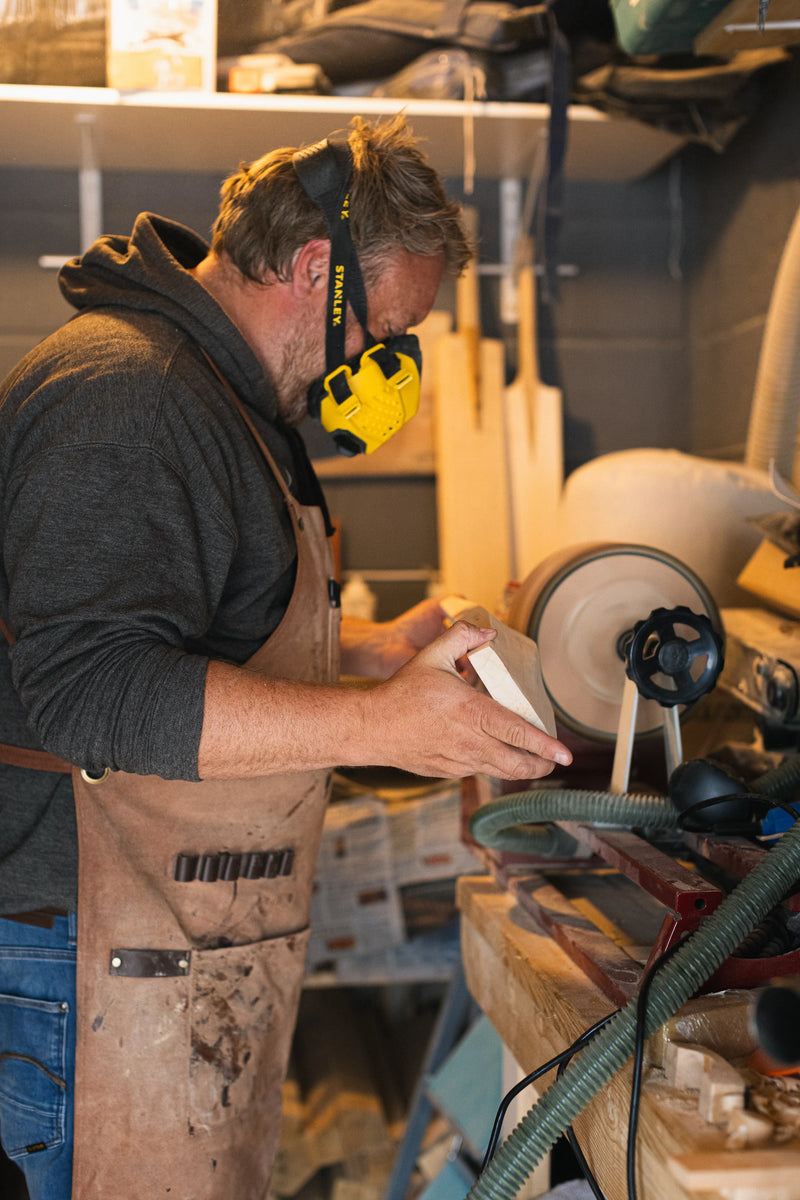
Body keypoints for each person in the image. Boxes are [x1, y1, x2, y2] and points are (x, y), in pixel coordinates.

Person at [0, 113, 572, 1200]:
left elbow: (188, 631)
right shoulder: (131, 397)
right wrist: (378, 724)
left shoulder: (220, 402)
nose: (378, 365)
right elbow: (90, 692)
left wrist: (366, 655)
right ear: (316, 269)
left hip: (153, 945)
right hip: (70, 950)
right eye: (385, 333)